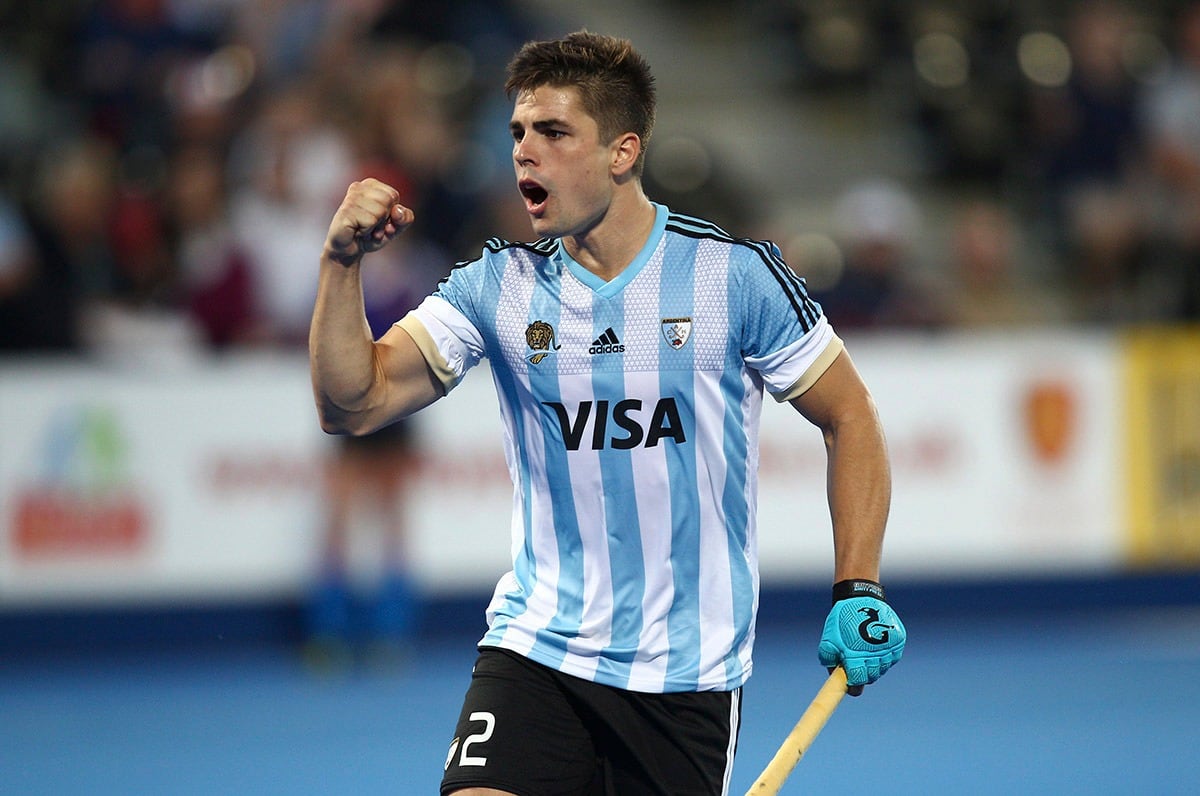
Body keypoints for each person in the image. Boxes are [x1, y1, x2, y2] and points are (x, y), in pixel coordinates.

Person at [310, 30, 905, 795]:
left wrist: (858, 587)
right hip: (537, 652)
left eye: (554, 133)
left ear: (622, 153)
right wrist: (340, 266)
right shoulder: (497, 284)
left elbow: (851, 415)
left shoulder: (735, 277)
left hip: (685, 680)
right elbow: (351, 403)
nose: (525, 152)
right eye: (519, 132)